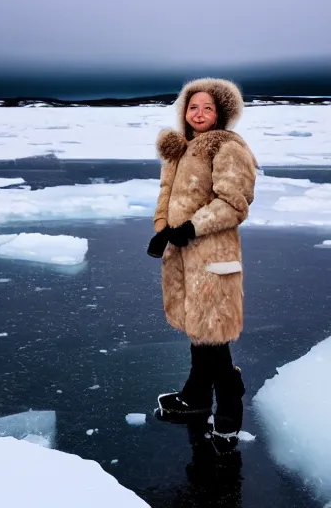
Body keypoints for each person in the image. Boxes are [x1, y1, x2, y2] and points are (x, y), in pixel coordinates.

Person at [147, 78, 257, 451]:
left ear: (220, 113)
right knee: (197, 330)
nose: (199, 113)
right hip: (181, 255)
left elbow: (234, 202)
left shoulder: (227, 148)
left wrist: (193, 226)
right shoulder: (178, 149)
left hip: (212, 256)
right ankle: (196, 396)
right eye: (193, 107)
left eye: (207, 108)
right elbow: (165, 195)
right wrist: (163, 230)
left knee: (212, 334)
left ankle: (229, 402)